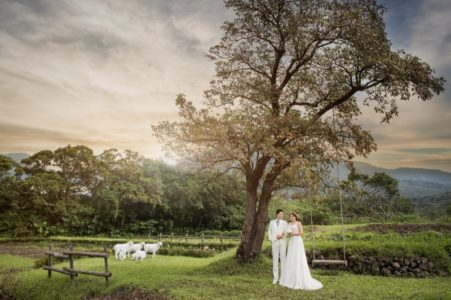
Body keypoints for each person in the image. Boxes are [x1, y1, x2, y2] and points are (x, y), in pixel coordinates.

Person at [279, 212, 323, 290]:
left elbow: (301, 233)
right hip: (291, 242)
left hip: (297, 241)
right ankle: (290, 278)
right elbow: (287, 233)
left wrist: (293, 234)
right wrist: (286, 235)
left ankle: (299, 278)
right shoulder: (288, 224)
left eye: (293, 216)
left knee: (298, 257)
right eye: (290, 216)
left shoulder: (298, 223)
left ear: (295, 217)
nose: (291, 217)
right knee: (291, 258)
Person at [267, 209, 288, 284]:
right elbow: (269, 231)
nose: (281, 215)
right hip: (274, 242)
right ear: (276, 214)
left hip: (282, 242)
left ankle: (283, 278)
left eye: (282, 214)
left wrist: (282, 236)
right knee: (275, 260)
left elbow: (286, 232)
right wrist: (271, 239)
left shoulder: (285, 222)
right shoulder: (272, 222)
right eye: (280, 214)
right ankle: (275, 278)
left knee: (283, 260)